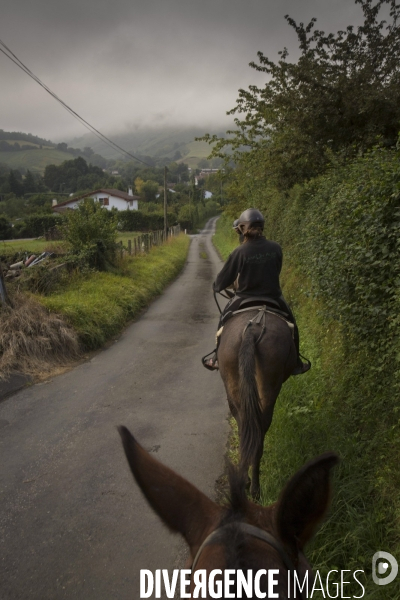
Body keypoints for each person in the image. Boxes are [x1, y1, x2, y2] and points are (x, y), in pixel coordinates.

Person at [203, 208, 311, 375]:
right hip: (274, 298)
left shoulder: (240, 252)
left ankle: (217, 356)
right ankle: (296, 361)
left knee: (224, 320)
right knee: (292, 324)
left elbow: (221, 282)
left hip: (243, 298)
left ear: (242, 228)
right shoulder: (276, 248)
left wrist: (216, 286)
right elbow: (276, 270)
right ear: (262, 227)